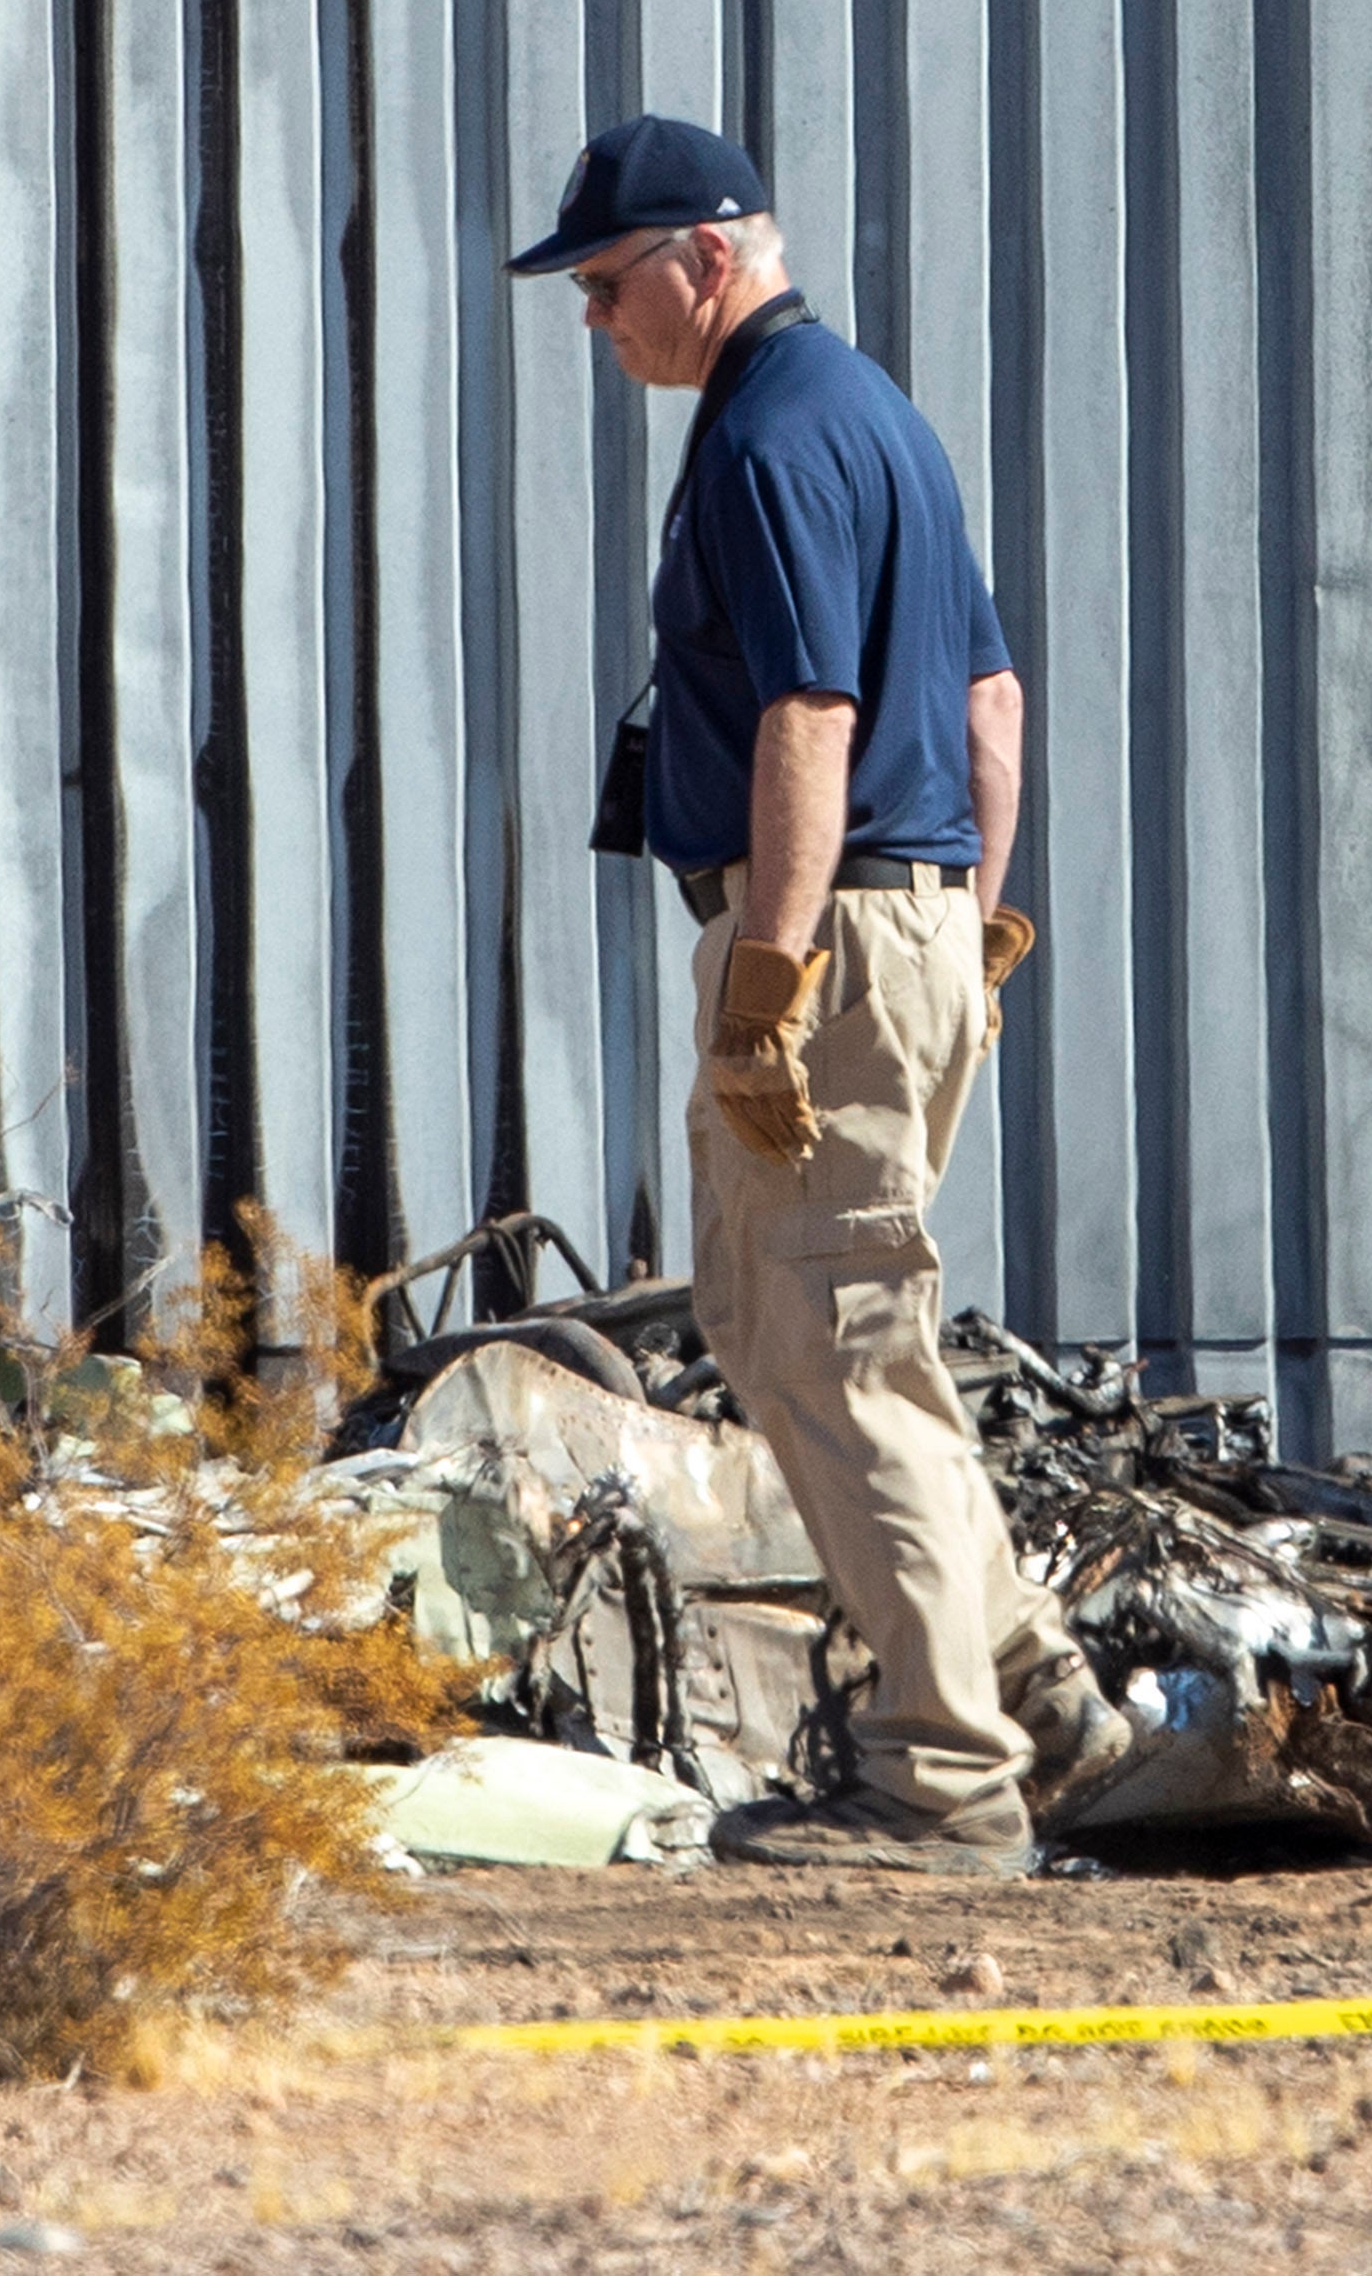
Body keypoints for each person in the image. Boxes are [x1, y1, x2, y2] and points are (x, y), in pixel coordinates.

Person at [507, 114, 1124, 1876]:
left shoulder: (769, 435)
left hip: (831, 928)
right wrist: (975, 940)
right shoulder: (881, 420)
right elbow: (990, 708)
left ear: (708, 259)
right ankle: (1026, 1684)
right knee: (796, 1327)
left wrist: (772, 977)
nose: (594, 321)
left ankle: (944, 1782)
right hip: (914, 928)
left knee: (838, 1350)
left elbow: (807, 721)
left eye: (609, 285)